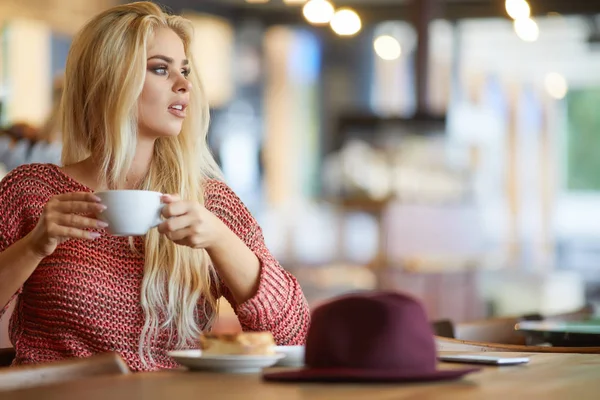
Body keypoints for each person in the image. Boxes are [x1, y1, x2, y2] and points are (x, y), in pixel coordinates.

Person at [0, 1, 310, 372]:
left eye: (185, 71)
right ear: (109, 80)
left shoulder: (210, 203)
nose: (184, 85)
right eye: (160, 69)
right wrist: (34, 245)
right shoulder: (32, 191)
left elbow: (295, 333)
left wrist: (219, 238)